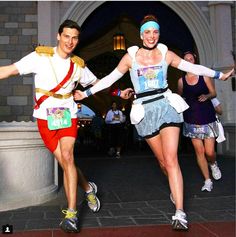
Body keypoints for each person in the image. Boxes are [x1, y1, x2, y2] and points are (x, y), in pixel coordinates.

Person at [74, 14, 234, 231]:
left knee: (171, 159)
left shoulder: (166, 54)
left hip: (166, 106)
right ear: (141, 35)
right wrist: (86, 93)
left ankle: (180, 212)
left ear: (159, 34)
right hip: (144, 111)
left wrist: (218, 75)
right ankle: (174, 187)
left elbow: (192, 68)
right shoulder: (130, 58)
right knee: (162, 162)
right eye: (147, 32)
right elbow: (110, 79)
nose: (151, 36)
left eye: (155, 32)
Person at [0, 19, 101, 233]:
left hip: (67, 115)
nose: (70, 41)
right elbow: (9, 70)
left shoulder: (78, 65)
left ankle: (71, 214)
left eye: (74, 38)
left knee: (68, 157)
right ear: (58, 36)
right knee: (66, 164)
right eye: (66, 36)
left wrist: (94, 93)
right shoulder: (40, 56)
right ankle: (88, 188)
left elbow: (96, 82)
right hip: (46, 118)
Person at [177, 51, 223, 193]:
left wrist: (207, 95)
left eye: (191, 58)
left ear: (194, 60)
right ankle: (207, 180)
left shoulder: (204, 76)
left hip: (207, 115)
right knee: (199, 151)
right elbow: (179, 97)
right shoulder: (181, 81)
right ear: (183, 63)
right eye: (186, 59)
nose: (189, 61)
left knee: (209, 152)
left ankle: (213, 163)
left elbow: (213, 93)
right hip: (191, 118)